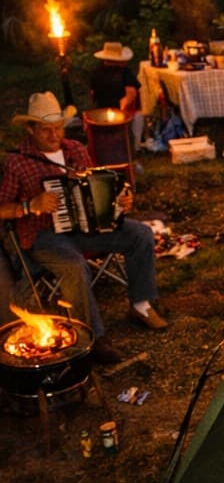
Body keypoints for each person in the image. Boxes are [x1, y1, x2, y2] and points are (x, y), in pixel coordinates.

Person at [0, 91, 167, 366]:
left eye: (58, 128)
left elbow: (98, 188)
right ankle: (93, 338)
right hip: (44, 236)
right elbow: (2, 208)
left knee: (141, 234)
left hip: (87, 229)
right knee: (75, 266)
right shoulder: (17, 162)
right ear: (30, 129)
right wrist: (29, 205)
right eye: (46, 130)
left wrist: (120, 199)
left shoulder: (76, 150)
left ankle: (141, 305)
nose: (54, 135)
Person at [89, 41, 144, 148]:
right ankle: (135, 145)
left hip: (100, 112)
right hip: (119, 112)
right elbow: (131, 94)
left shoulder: (95, 72)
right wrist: (121, 111)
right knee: (139, 116)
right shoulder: (125, 73)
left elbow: (92, 94)